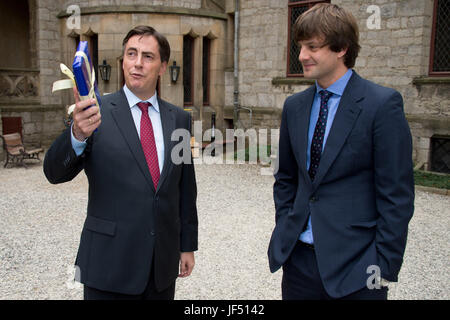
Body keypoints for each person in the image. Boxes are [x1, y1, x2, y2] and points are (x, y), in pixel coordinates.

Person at [268, 4, 414, 300]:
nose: (301, 56)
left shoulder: (381, 105)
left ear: (341, 48)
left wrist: (383, 265)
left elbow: (396, 194)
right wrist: (287, 225)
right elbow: (286, 178)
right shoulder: (294, 107)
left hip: (358, 267)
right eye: (300, 46)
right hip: (298, 263)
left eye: (312, 47)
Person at [44, 26, 198, 300]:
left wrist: (187, 245)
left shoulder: (179, 120)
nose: (138, 63)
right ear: (123, 60)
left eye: (148, 56)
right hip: (108, 266)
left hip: (160, 269)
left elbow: (185, 189)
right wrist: (77, 134)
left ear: (163, 66)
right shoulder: (94, 112)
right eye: (132, 54)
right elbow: (54, 173)